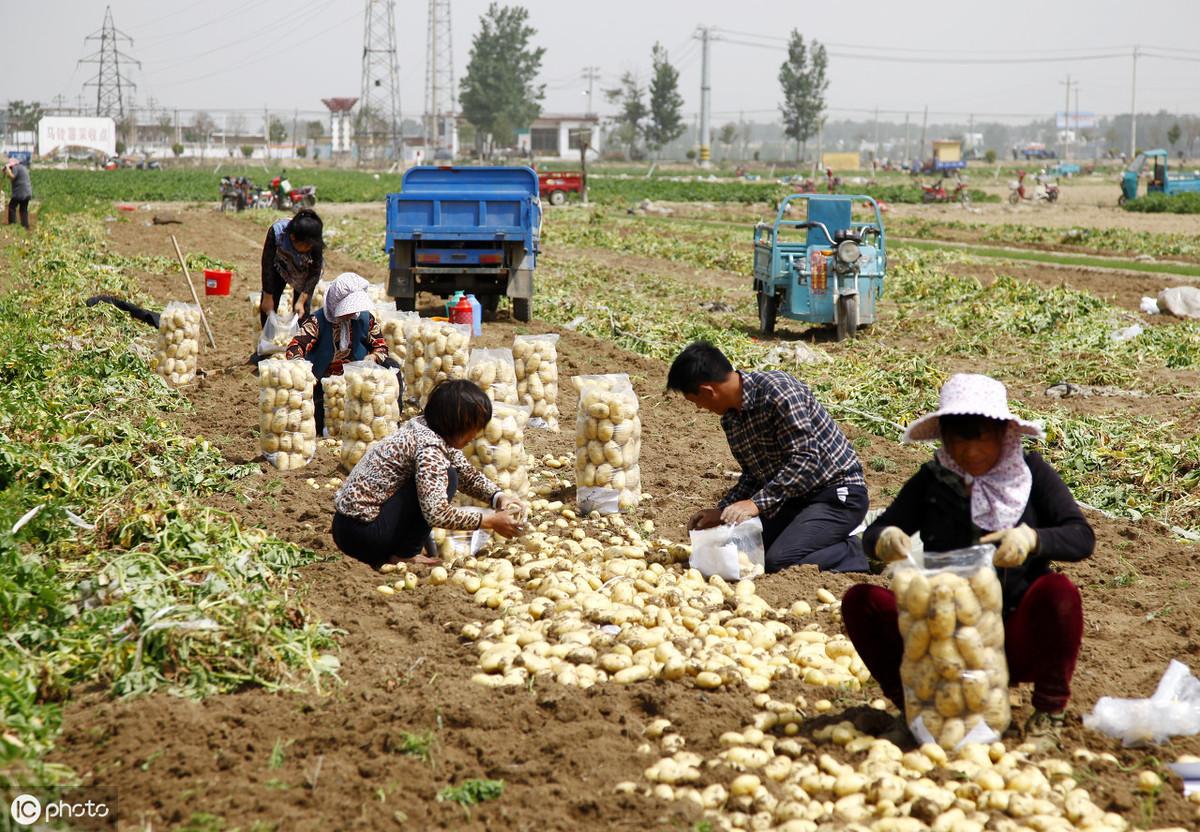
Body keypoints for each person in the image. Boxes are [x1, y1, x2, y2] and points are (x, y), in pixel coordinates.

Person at [841, 373, 1094, 749]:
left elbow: (1080, 536)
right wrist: (885, 539)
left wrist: (1032, 538)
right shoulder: (933, 479)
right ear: (944, 438)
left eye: (981, 439)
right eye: (959, 439)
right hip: (938, 638)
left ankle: (1048, 713)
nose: (970, 452)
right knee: (862, 601)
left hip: (1009, 633)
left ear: (1004, 433)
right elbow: (876, 532)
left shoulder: (1032, 475)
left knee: (1059, 592)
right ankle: (913, 712)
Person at [667, 341, 869, 573]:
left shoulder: (778, 392)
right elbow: (754, 475)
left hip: (835, 495)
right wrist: (721, 513)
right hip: (792, 499)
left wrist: (755, 504)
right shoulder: (732, 420)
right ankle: (814, 536)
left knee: (778, 561)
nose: (700, 409)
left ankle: (855, 551)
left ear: (707, 391)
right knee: (743, 550)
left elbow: (806, 458)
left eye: (696, 402)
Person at [332, 379, 525, 568]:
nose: (476, 435)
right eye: (474, 427)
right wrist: (490, 521)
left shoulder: (425, 428)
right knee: (448, 478)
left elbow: (466, 473)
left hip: (347, 528)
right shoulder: (429, 448)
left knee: (451, 474)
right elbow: (437, 513)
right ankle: (405, 555)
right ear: (456, 424)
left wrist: (497, 497)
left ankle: (400, 549)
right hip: (363, 533)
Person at [284, 272, 396, 435]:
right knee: (320, 421)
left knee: (392, 367)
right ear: (335, 304)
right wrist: (303, 369)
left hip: (357, 386)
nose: (351, 313)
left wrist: (372, 357)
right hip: (325, 386)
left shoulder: (365, 319)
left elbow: (381, 347)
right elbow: (295, 347)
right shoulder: (317, 321)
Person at [260, 208, 324, 327]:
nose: (309, 248)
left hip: (304, 272)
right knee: (267, 308)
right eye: (305, 246)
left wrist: (301, 300)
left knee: (301, 314)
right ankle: (268, 339)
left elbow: (315, 271)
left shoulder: (314, 240)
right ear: (293, 237)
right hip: (280, 266)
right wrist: (268, 296)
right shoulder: (277, 232)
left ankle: (298, 342)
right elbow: (267, 264)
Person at [5, 158, 32, 230]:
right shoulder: (23, 167)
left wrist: (7, 168)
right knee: (23, 209)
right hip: (27, 192)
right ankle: (25, 226)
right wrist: (7, 173)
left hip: (20, 192)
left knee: (12, 207)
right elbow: (12, 177)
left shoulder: (15, 167)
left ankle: (12, 224)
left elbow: (12, 176)